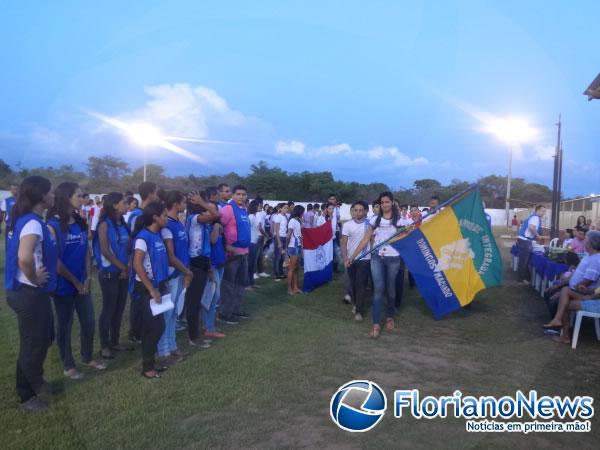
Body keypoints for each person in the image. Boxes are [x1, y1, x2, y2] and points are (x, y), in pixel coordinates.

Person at [5, 176, 56, 412]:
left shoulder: (26, 219)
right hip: (28, 292)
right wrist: (35, 277)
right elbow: (24, 258)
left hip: (28, 292)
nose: (53, 196)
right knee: (33, 343)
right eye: (50, 192)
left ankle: (35, 381)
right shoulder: (34, 223)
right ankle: (27, 395)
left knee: (43, 337)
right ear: (42, 196)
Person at [48, 182, 106, 380]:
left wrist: (88, 278)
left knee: (89, 322)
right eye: (79, 196)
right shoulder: (53, 225)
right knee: (65, 326)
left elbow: (86, 253)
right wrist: (75, 282)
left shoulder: (80, 222)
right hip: (64, 287)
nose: (84, 199)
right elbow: (55, 262)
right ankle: (68, 364)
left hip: (83, 284)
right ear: (66, 197)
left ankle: (87, 357)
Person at [349, 192, 408, 339]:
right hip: (377, 258)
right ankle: (376, 324)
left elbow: (405, 239)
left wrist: (407, 232)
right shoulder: (375, 220)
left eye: (387, 202)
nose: (384, 205)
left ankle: (390, 316)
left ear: (392, 203)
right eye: (382, 203)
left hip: (393, 259)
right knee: (378, 290)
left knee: (390, 289)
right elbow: (365, 239)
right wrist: (353, 256)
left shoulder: (400, 221)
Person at [130, 202, 170, 378]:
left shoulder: (157, 235)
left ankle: (150, 363)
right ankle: (147, 368)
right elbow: (137, 265)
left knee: (155, 327)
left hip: (158, 285)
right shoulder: (143, 237)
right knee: (155, 327)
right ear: (155, 217)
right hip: (147, 288)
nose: (166, 218)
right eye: (164, 215)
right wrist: (152, 290)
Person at [543, 231, 600, 344]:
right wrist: (560, 285)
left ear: (591, 244)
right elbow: (577, 275)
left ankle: (559, 329)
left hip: (581, 292)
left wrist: (565, 289)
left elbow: (585, 283)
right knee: (550, 292)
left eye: (587, 240)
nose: (585, 242)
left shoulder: (596, 260)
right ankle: (557, 324)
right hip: (574, 289)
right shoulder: (589, 256)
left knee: (558, 298)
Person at [157, 191, 193, 365]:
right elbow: (170, 255)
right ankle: (163, 351)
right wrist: (186, 270)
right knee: (167, 314)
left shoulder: (178, 222)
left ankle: (171, 346)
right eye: (184, 202)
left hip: (180, 273)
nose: (185, 205)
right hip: (172, 274)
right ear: (176, 204)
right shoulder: (168, 225)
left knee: (173, 315)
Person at [93, 192, 130, 359]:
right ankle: (105, 345)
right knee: (108, 309)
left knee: (119, 308)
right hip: (110, 273)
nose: (127, 205)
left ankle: (115, 342)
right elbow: (105, 250)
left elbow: (128, 246)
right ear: (115, 205)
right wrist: (122, 267)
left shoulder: (122, 223)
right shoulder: (104, 224)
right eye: (123, 202)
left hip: (123, 272)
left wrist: (127, 267)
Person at [185, 191, 219, 343]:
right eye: (202, 202)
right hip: (196, 263)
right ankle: (193, 336)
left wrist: (210, 267)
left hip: (204, 262)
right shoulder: (194, 219)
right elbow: (215, 215)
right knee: (193, 301)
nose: (206, 204)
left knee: (198, 299)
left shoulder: (202, 221)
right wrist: (203, 203)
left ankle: (196, 332)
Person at [127, 182, 159, 343]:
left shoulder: (147, 212)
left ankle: (142, 328)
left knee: (145, 300)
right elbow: (133, 238)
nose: (158, 195)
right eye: (156, 191)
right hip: (139, 260)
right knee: (138, 298)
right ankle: (135, 332)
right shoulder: (137, 214)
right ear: (150, 193)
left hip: (149, 261)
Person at [219, 185, 252, 321]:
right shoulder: (228, 209)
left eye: (243, 194)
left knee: (240, 283)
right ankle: (225, 313)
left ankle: (236, 309)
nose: (241, 197)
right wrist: (226, 245)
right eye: (238, 194)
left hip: (243, 252)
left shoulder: (243, 210)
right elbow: (218, 226)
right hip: (232, 254)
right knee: (228, 284)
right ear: (233, 195)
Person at [342, 201, 371, 321]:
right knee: (352, 284)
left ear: (365, 211)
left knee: (361, 284)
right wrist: (345, 258)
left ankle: (359, 311)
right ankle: (356, 303)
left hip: (364, 258)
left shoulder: (370, 224)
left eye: (361, 210)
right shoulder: (347, 225)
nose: (358, 212)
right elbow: (343, 243)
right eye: (355, 210)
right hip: (350, 260)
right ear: (352, 211)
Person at [202, 209, 227, 339]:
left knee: (213, 296)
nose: (212, 212)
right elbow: (212, 241)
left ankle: (208, 325)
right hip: (211, 265)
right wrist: (216, 227)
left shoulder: (215, 225)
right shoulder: (207, 226)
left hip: (219, 264)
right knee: (212, 296)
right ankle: (209, 328)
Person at [516, 205, 546, 284]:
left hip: (523, 240)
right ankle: (520, 279)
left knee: (525, 260)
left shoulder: (533, 217)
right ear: (538, 210)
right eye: (543, 211)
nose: (544, 213)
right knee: (524, 261)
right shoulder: (535, 218)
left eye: (544, 211)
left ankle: (524, 278)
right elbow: (532, 228)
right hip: (525, 240)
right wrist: (538, 236)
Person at [286, 205, 304, 296]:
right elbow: (288, 235)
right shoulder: (292, 221)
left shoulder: (298, 221)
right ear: (300, 212)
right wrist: (286, 247)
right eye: (302, 212)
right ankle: (289, 289)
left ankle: (296, 287)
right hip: (293, 246)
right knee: (292, 268)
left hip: (298, 246)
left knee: (296, 268)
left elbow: (300, 234)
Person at [247, 199, 264, 286]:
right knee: (249, 264)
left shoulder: (254, 216)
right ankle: (247, 283)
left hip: (255, 242)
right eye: (258, 206)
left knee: (252, 263)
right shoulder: (250, 217)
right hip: (251, 242)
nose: (260, 207)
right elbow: (247, 229)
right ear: (255, 207)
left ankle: (251, 282)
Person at [272, 203, 289, 279]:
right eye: (285, 208)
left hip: (284, 237)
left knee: (282, 257)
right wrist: (279, 242)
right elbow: (276, 230)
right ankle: (276, 273)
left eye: (287, 208)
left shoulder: (285, 217)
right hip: (279, 237)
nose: (286, 209)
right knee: (277, 256)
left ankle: (281, 272)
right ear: (280, 208)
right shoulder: (278, 217)